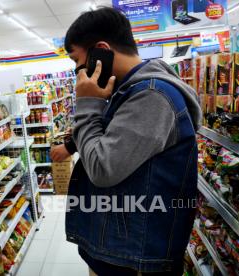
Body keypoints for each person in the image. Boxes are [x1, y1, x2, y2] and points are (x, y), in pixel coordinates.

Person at [63, 7, 202, 276]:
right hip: (122, 249)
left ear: (101, 50)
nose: (77, 71)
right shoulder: (130, 91)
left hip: (135, 259)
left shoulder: (151, 97)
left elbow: (102, 168)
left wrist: (87, 104)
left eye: (76, 60)